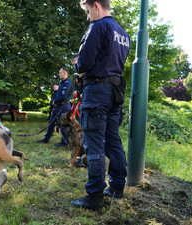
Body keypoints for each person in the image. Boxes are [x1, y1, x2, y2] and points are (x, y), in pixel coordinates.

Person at [70, 0, 130, 211]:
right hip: (115, 92)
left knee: (94, 143)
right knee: (113, 140)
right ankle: (116, 187)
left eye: (87, 12)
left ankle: (94, 197)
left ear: (96, 5)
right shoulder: (123, 33)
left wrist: (78, 64)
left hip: (97, 91)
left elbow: (84, 62)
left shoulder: (98, 26)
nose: (88, 17)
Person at [37, 67, 73, 147]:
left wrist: (55, 101)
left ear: (64, 73)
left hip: (63, 106)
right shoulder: (62, 82)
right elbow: (58, 94)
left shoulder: (68, 83)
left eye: (60, 73)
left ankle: (65, 142)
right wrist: (55, 102)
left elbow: (63, 97)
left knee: (63, 125)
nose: (59, 74)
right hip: (57, 106)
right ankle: (46, 139)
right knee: (51, 123)